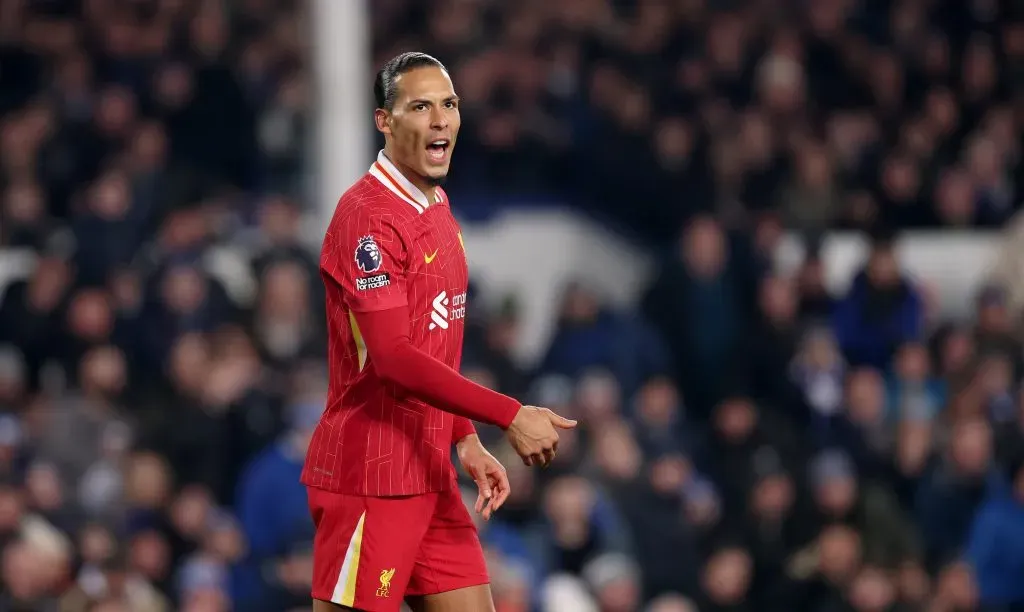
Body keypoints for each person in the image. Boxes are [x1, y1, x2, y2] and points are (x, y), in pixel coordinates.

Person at [302, 52, 578, 612]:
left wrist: (464, 439)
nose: (440, 120)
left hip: (429, 469)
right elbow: (396, 360)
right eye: (420, 106)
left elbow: (435, 347)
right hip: (371, 478)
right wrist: (506, 414)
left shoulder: (436, 202)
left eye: (448, 104)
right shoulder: (367, 220)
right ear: (385, 121)